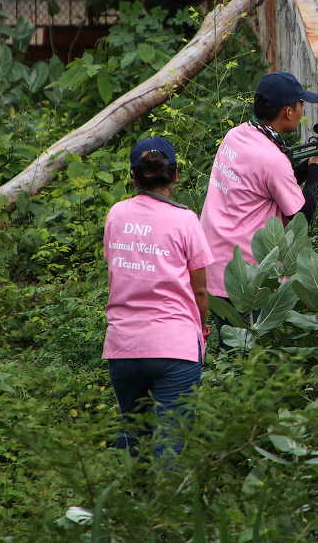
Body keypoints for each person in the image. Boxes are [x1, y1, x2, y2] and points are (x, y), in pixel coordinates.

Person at [200, 71, 318, 345]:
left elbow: (268, 183)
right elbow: (300, 223)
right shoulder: (273, 160)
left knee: (231, 354)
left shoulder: (236, 136)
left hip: (215, 267)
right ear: (288, 112)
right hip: (250, 279)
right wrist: (315, 173)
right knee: (254, 358)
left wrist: (315, 161)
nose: (302, 109)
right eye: (300, 104)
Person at [102, 137, 214, 460]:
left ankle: (126, 503)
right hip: (175, 348)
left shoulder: (116, 215)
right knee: (171, 448)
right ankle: (166, 509)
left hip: (123, 347)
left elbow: (115, 269)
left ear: (133, 177)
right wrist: (202, 328)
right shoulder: (185, 220)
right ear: (175, 176)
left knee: (132, 438)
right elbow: (201, 291)